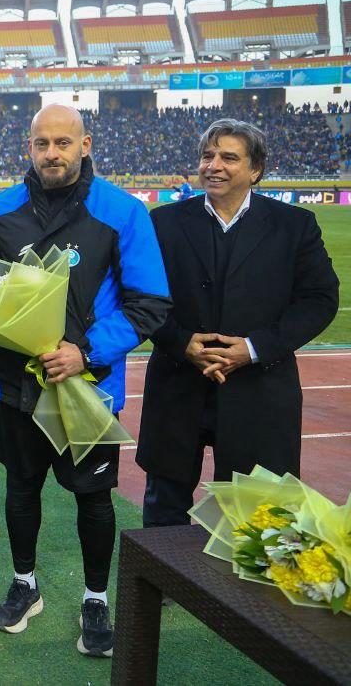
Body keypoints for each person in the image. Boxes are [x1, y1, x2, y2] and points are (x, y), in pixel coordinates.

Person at [0, 104, 170, 658]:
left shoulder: (123, 211)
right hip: (18, 385)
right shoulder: (4, 207)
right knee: (20, 487)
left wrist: (85, 352)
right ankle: (25, 584)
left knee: (94, 499)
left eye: (63, 142)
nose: (51, 153)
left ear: (85, 145)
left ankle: (95, 597)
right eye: (42, 143)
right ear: (29, 147)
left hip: (89, 388)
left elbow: (150, 302)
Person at [138, 119, 338, 526]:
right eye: (207, 156)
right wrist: (180, 342)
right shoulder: (162, 222)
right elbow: (140, 296)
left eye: (229, 157)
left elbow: (319, 300)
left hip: (259, 389)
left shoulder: (294, 225)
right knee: (163, 512)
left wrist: (253, 348)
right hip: (177, 385)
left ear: (255, 170)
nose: (214, 165)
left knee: (256, 521)